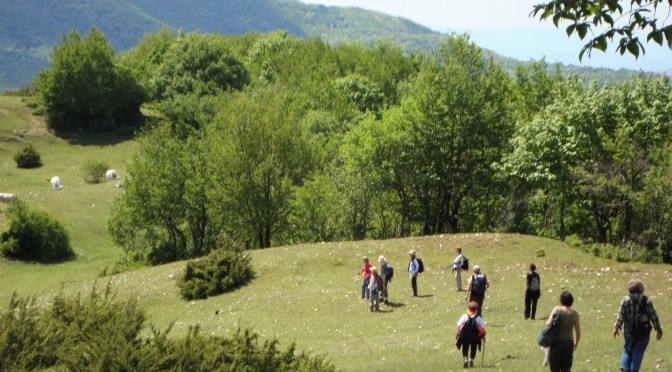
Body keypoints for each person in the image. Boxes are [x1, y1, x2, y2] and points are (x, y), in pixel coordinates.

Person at [613, 279, 663, 372]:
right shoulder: (646, 300)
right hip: (643, 332)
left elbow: (620, 315)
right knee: (638, 352)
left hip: (628, 332)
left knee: (627, 350)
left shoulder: (625, 300)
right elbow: (653, 315)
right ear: (642, 289)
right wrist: (658, 329)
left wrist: (616, 327)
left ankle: (624, 368)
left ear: (629, 289)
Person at [546, 291, 581, 372]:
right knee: (566, 367)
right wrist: (576, 343)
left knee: (555, 368)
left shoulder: (557, 309)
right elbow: (578, 333)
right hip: (569, 343)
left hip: (556, 342)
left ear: (561, 300)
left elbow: (548, 324)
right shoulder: (575, 314)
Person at [456, 301, 486, 368]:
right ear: (476, 309)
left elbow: (458, 325)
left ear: (469, 308)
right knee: (473, 349)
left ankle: (465, 359)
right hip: (475, 337)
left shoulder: (465, 316)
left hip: (465, 336)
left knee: (465, 348)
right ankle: (471, 360)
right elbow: (482, 328)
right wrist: (483, 338)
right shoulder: (478, 318)